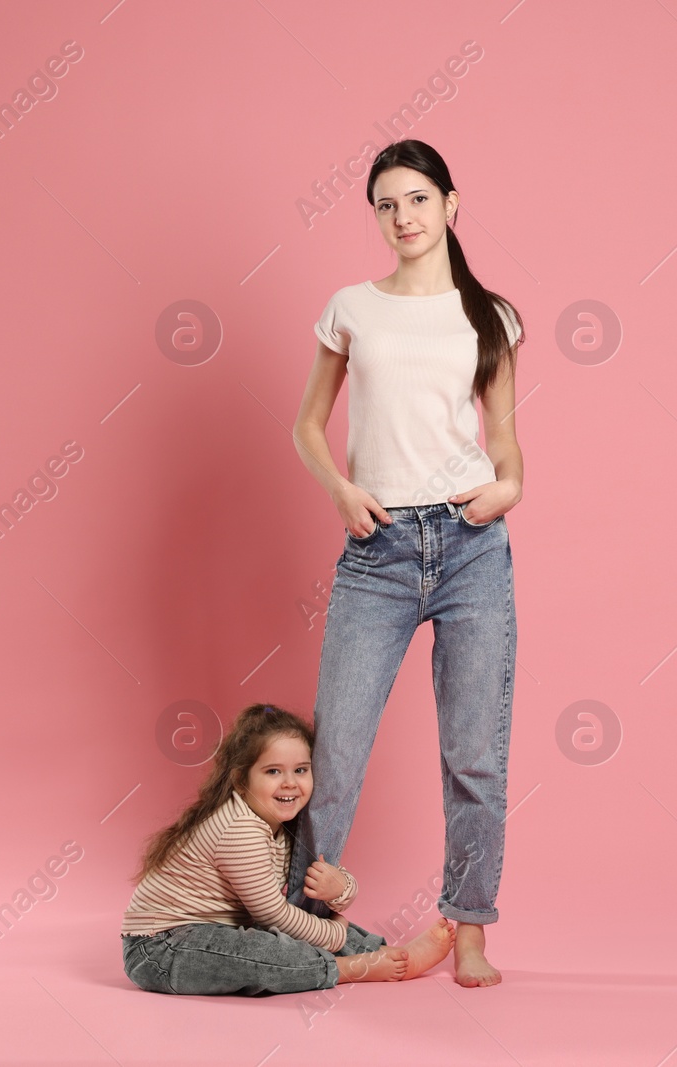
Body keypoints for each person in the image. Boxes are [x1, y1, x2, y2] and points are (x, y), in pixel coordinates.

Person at [288, 139, 524, 987]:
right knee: (337, 747)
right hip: (377, 549)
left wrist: (513, 485)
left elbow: (500, 431)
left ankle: (467, 928)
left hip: (471, 545)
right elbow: (308, 423)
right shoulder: (353, 306)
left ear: (452, 204)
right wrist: (341, 492)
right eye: (387, 204)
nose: (404, 218)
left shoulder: (489, 316)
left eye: (418, 199)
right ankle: (302, 920)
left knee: (476, 752)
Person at [121, 703, 454, 995]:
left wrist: (341, 889)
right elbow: (271, 915)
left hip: (217, 932)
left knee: (308, 916)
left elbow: (322, 877)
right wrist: (334, 937)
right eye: (272, 772)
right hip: (161, 947)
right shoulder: (240, 827)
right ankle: (351, 968)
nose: (290, 783)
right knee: (262, 951)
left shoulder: (285, 821)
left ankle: (387, 953)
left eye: (300, 770)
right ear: (240, 781)